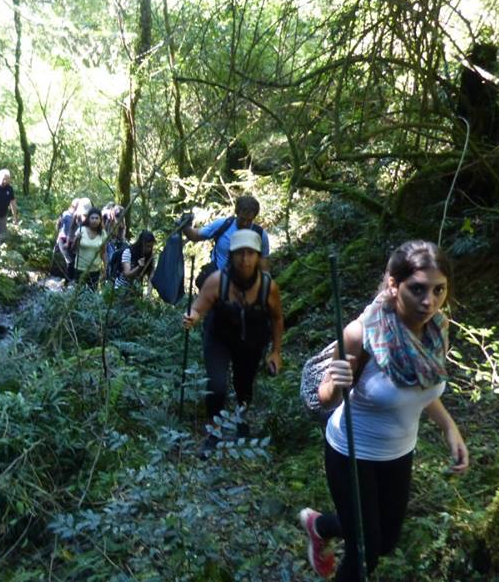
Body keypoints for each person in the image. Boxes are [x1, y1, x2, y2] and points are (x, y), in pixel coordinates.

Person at [299, 240, 469, 580]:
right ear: (393, 284)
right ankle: (332, 530)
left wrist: (449, 426)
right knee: (366, 555)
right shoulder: (362, 334)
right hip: (351, 452)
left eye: (439, 290)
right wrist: (337, 381)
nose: (429, 301)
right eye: (418, 289)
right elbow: (325, 398)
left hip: (398, 453)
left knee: (387, 541)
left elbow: (418, 390)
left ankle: (320, 525)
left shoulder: (438, 331)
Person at [182, 229, 285, 455]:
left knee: (244, 383)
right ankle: (214, 432)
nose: (245, 259)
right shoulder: (217, 281)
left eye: (250, 253)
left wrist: (276, 351)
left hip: (252, 340)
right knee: (216, 385)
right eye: (240, 253)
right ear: (231, 255)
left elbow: (277, 319)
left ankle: (241, 418)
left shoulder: (268, 287)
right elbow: (199, 307)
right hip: (218, 338)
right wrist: (192, 317)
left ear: (259, 256)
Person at [181, 195, 270, 287]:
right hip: (216, 282)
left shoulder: (260, 235)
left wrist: (265, 288)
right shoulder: (224, 224)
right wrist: (185, 226)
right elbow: (196, 236)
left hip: (243, 286)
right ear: (237, 212)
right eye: (242, 219)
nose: (245, 223)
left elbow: (263, 264)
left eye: (249, 220)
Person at [69, 207, 106, 288]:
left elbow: (103, 252)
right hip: (80, 267)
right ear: (88, 219)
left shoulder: (102, 233)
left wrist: (105, 268)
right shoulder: (81, 230)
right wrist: (76, 240)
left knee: (92, 292)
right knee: (78, 292)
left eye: (97, 218)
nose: (94, 220)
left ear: (100, 220)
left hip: (95, 269)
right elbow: (73, 249)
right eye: (92, 218)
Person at [103, 204, 127, 281]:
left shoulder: (121, 220)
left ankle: (113, 277)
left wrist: (122, 241)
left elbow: (122, 236)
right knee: (109, 258)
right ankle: (107, 276)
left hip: (114, 242)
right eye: (117, 216)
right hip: (105, 241)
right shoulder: (106, 216)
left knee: (116, 257)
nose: (118, 218)